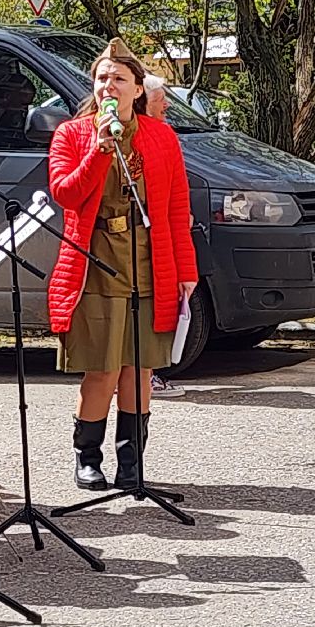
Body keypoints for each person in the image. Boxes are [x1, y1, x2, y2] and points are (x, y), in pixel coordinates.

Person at [47, 38, 197, 490]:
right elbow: (66, 194)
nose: (108, 86)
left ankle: (131, 463)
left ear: (137, 90)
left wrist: (187, 273)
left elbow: (175, 208)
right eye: (101, 78)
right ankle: (86, 456)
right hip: (97, 263)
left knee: (140, 367)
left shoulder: (162, 136)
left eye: (119, 79)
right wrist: (99, 149)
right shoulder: (72, 134)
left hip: (150, 263)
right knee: (104, 368)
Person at [140, 73, 186, 399]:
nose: (167, 104)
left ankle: (148, 374)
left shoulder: (164, 135)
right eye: (160, 100)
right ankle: (145, 376)